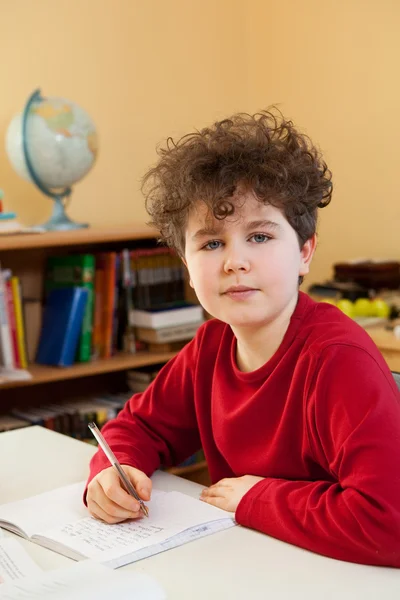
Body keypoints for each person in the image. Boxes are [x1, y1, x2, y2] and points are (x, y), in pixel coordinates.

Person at [85, 109, 400, 567]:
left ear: (305, 251)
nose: (235, 261)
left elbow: (388, 523)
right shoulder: (210, 347)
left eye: (259, 236)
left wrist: (259, 498)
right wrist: (115, 472)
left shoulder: (339, 360)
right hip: (251, 561)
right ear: (186, 265)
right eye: (211, 244)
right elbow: (139, 428)